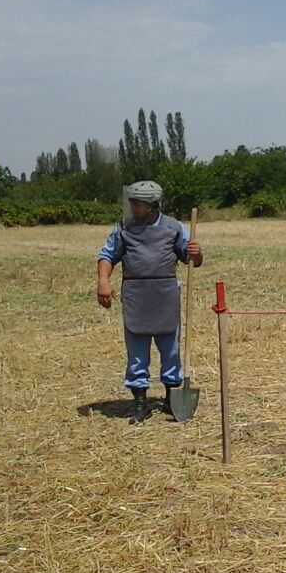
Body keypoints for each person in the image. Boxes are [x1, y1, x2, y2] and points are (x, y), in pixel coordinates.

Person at [96, 181, 204, 423]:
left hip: (165, 295)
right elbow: (107, 255)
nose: (133, 207)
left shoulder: (174, 228)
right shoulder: (123, 228)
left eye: (138, 203)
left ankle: (171, 398)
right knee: (136, 353)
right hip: (136, 296)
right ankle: (140, 402)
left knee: (171, 350)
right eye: (132, 202)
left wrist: (196, 254)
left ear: (153, 205)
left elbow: (191, 260)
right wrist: (103, 281)